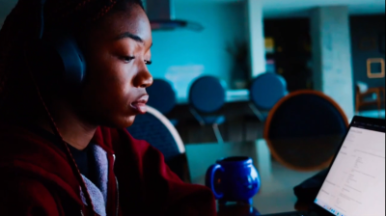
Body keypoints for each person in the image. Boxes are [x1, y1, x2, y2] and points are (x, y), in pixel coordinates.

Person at [0, 0, 216, 215]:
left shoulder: (110, 141)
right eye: (128, 56)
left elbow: (191, 202)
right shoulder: (19, 189)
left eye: (146, 60)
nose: (148, 78)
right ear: (61, 60)